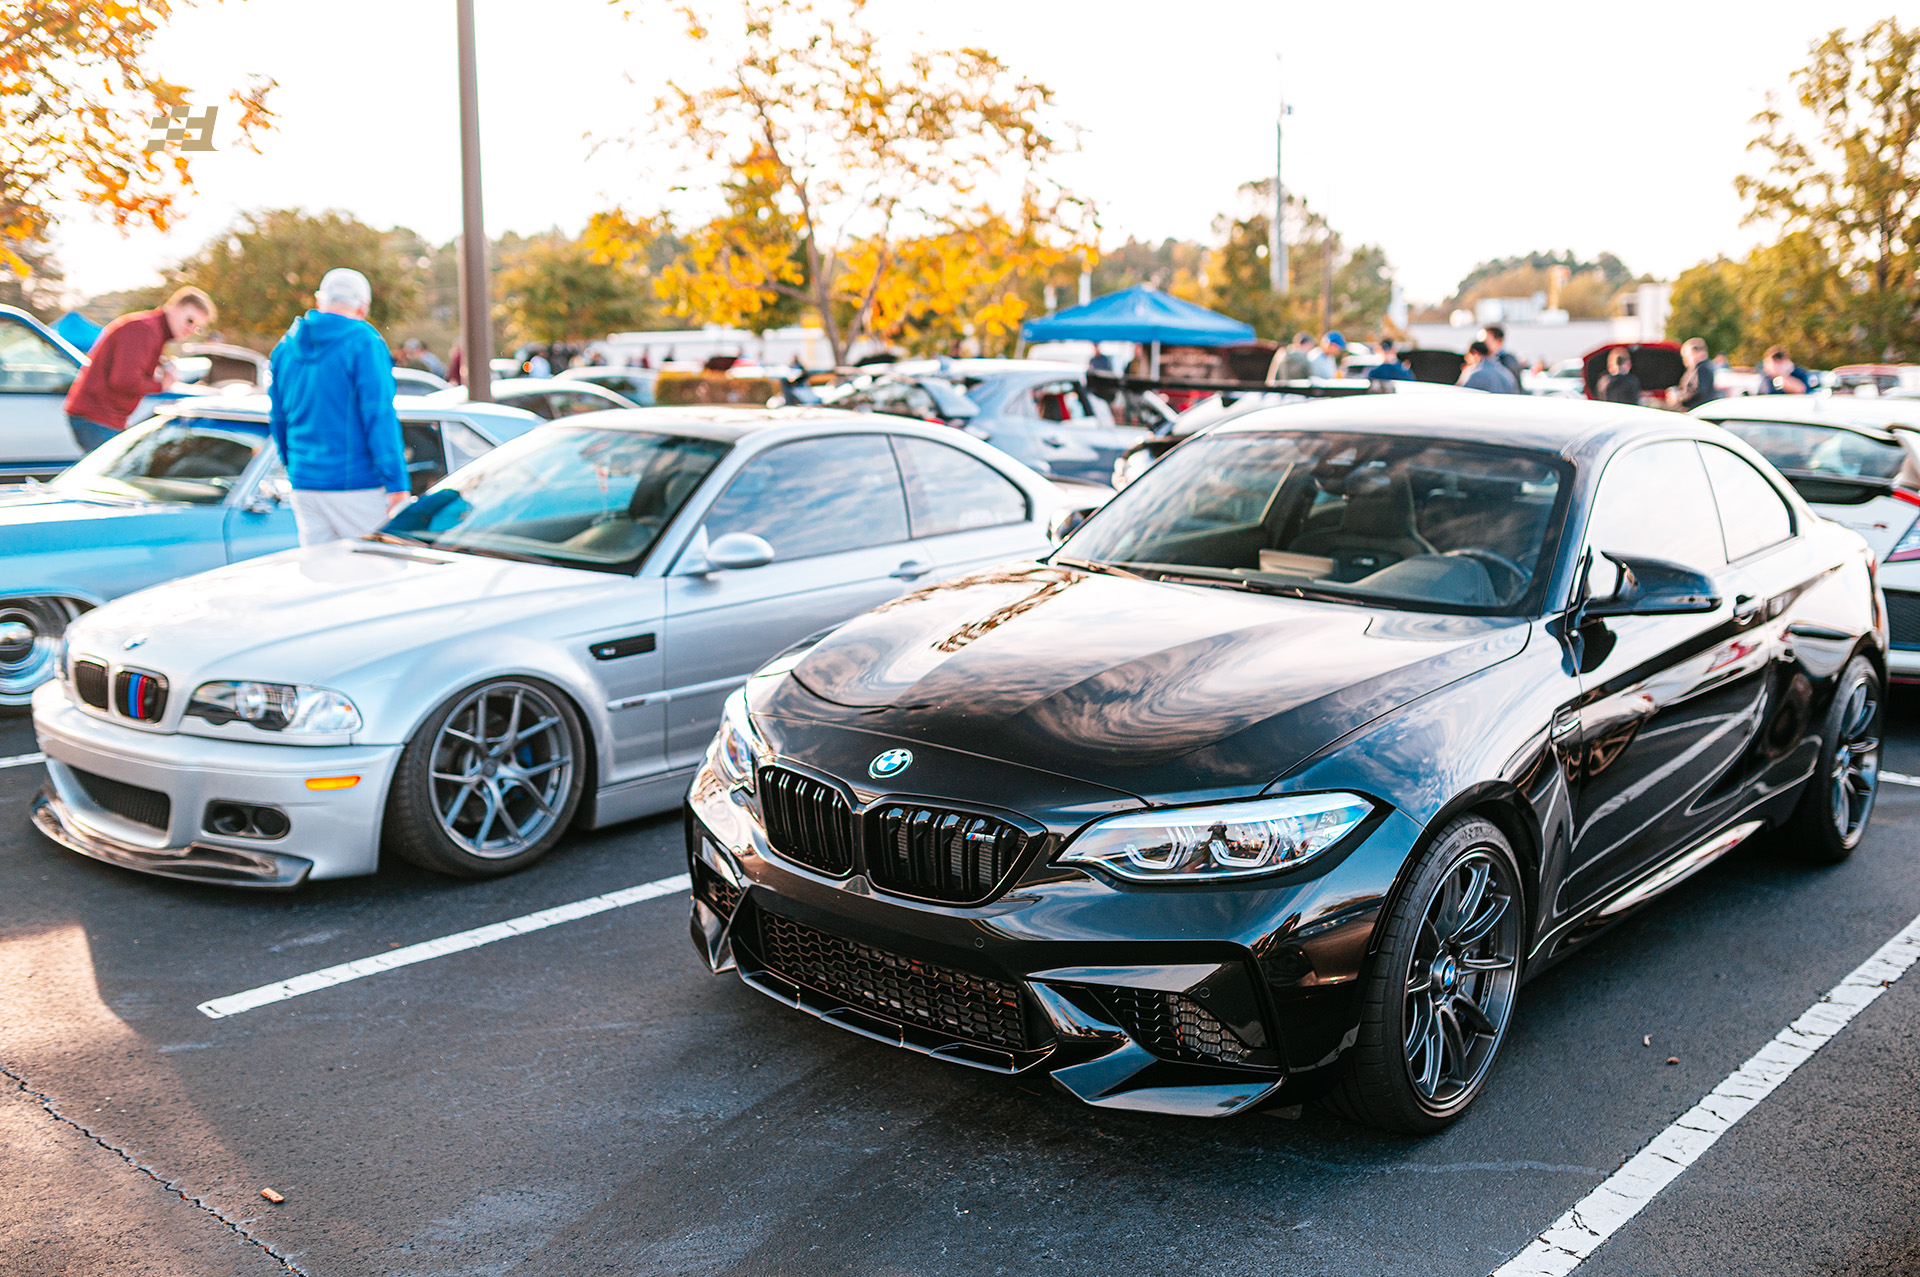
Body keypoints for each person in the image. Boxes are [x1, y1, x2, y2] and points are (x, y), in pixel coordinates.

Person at [268, 268, 410, 546]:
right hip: (357, 484)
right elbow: (379, 416)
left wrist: (294, 465)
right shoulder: (364, 341)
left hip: (304, 483)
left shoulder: (285, 347)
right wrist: (397, 484)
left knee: (321, 568)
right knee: (378, 567)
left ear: (319, 300)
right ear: (363, 307)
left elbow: (278, 419)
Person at [62, 286, 215, 452]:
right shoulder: (145, 330)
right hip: (97, 417)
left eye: (197, 327)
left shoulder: (151, 328)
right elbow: (124, 381)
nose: (191, 330)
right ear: (175, 307)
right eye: (190, 321)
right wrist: (162, 384)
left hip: (101, 417)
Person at [1670, 337, 1720, 409]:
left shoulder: (1702, 368)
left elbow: (1698, 392)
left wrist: (1678, 397)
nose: (1684, 360)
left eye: (1685, 356)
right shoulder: (1701, 367)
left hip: (1698, 410)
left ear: (1693, 352)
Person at [1479, 325, 1525, 391]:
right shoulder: (1483, 360)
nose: (1481, 345)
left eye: (1486, 341)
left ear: (1499, 341)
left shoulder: (1508, 361)